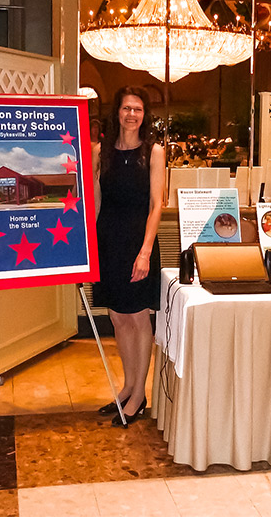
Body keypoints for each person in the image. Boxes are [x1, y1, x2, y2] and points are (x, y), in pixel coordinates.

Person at [92, 87, 164, 427]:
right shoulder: (100, 151)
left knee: (138, 318)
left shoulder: (153, 152)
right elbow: (95, 203)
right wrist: (89, 248)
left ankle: (139, 394)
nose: (131, 114)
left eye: (137, 109)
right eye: (126, 108)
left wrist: (145, 252)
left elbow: (157, 205)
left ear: (144, 114)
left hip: (139, 243)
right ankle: (127, 386)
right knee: (118, 317)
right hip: (108, 242)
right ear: (117, 112)